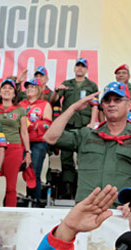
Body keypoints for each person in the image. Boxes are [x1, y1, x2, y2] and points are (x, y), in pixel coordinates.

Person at [44, 82, 131, 204]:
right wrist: (73, 108)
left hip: (120, 212)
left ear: (129, 105)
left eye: (117, 100)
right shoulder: (87, 135)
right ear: (102, 106)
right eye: (107, 100)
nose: (111, 104)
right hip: (85, 210)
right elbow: (50, 137)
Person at [54, 57, 99, 199]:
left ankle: (82, 188)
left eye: (83, 66)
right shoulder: (66, 84)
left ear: (86, 69)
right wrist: (57, 91)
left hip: (84, 125)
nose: (80, 68)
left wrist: (92, 122)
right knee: (66, 157)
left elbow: (95, 106)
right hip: (68, 125)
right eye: (78, 66)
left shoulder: (92, 86)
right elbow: (53, 100)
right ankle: (68, 188)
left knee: (84, 157)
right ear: (74, 68)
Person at [0, 78, 32, 207]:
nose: (7, 90)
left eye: (10, 88)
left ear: (15, 94)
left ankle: (10, 215)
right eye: (4, 88)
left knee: (11, 186)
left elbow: (24, 132)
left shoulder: (19, 110)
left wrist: (27, 152)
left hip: (13, 148)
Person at [19, 78, 52, 204]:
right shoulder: (21, 104)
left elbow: (48, 124)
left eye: (32, 87)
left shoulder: (45, 104)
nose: (29, 89)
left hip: (37, 142)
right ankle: (22, 200)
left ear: (38, 89)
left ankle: (35, 201)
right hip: (21, 142)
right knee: (20, 172)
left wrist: (34, 125)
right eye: (27, 87)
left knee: (34, 172)